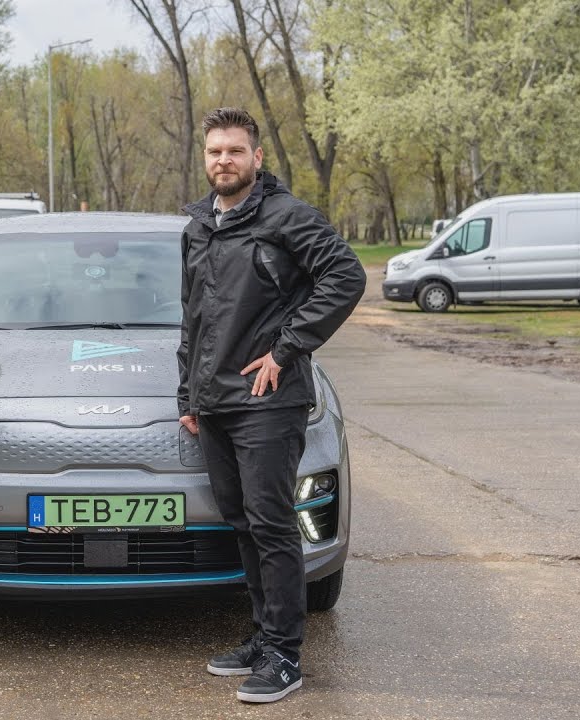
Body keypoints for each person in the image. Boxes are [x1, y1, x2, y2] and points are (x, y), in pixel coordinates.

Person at [177, 107, 365, 703]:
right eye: (215, 151)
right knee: (242, 522)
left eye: (235, 151)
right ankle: (262, 637)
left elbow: (346, 277)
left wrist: (286, 349)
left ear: (256, 158)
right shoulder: (198, 227)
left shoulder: (288, 217)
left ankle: (285, 655)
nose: (224, 161)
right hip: (215, 401)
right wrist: (189, 393)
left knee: (272, 523)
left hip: (268, 401)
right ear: (205, 158)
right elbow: (194, 319)